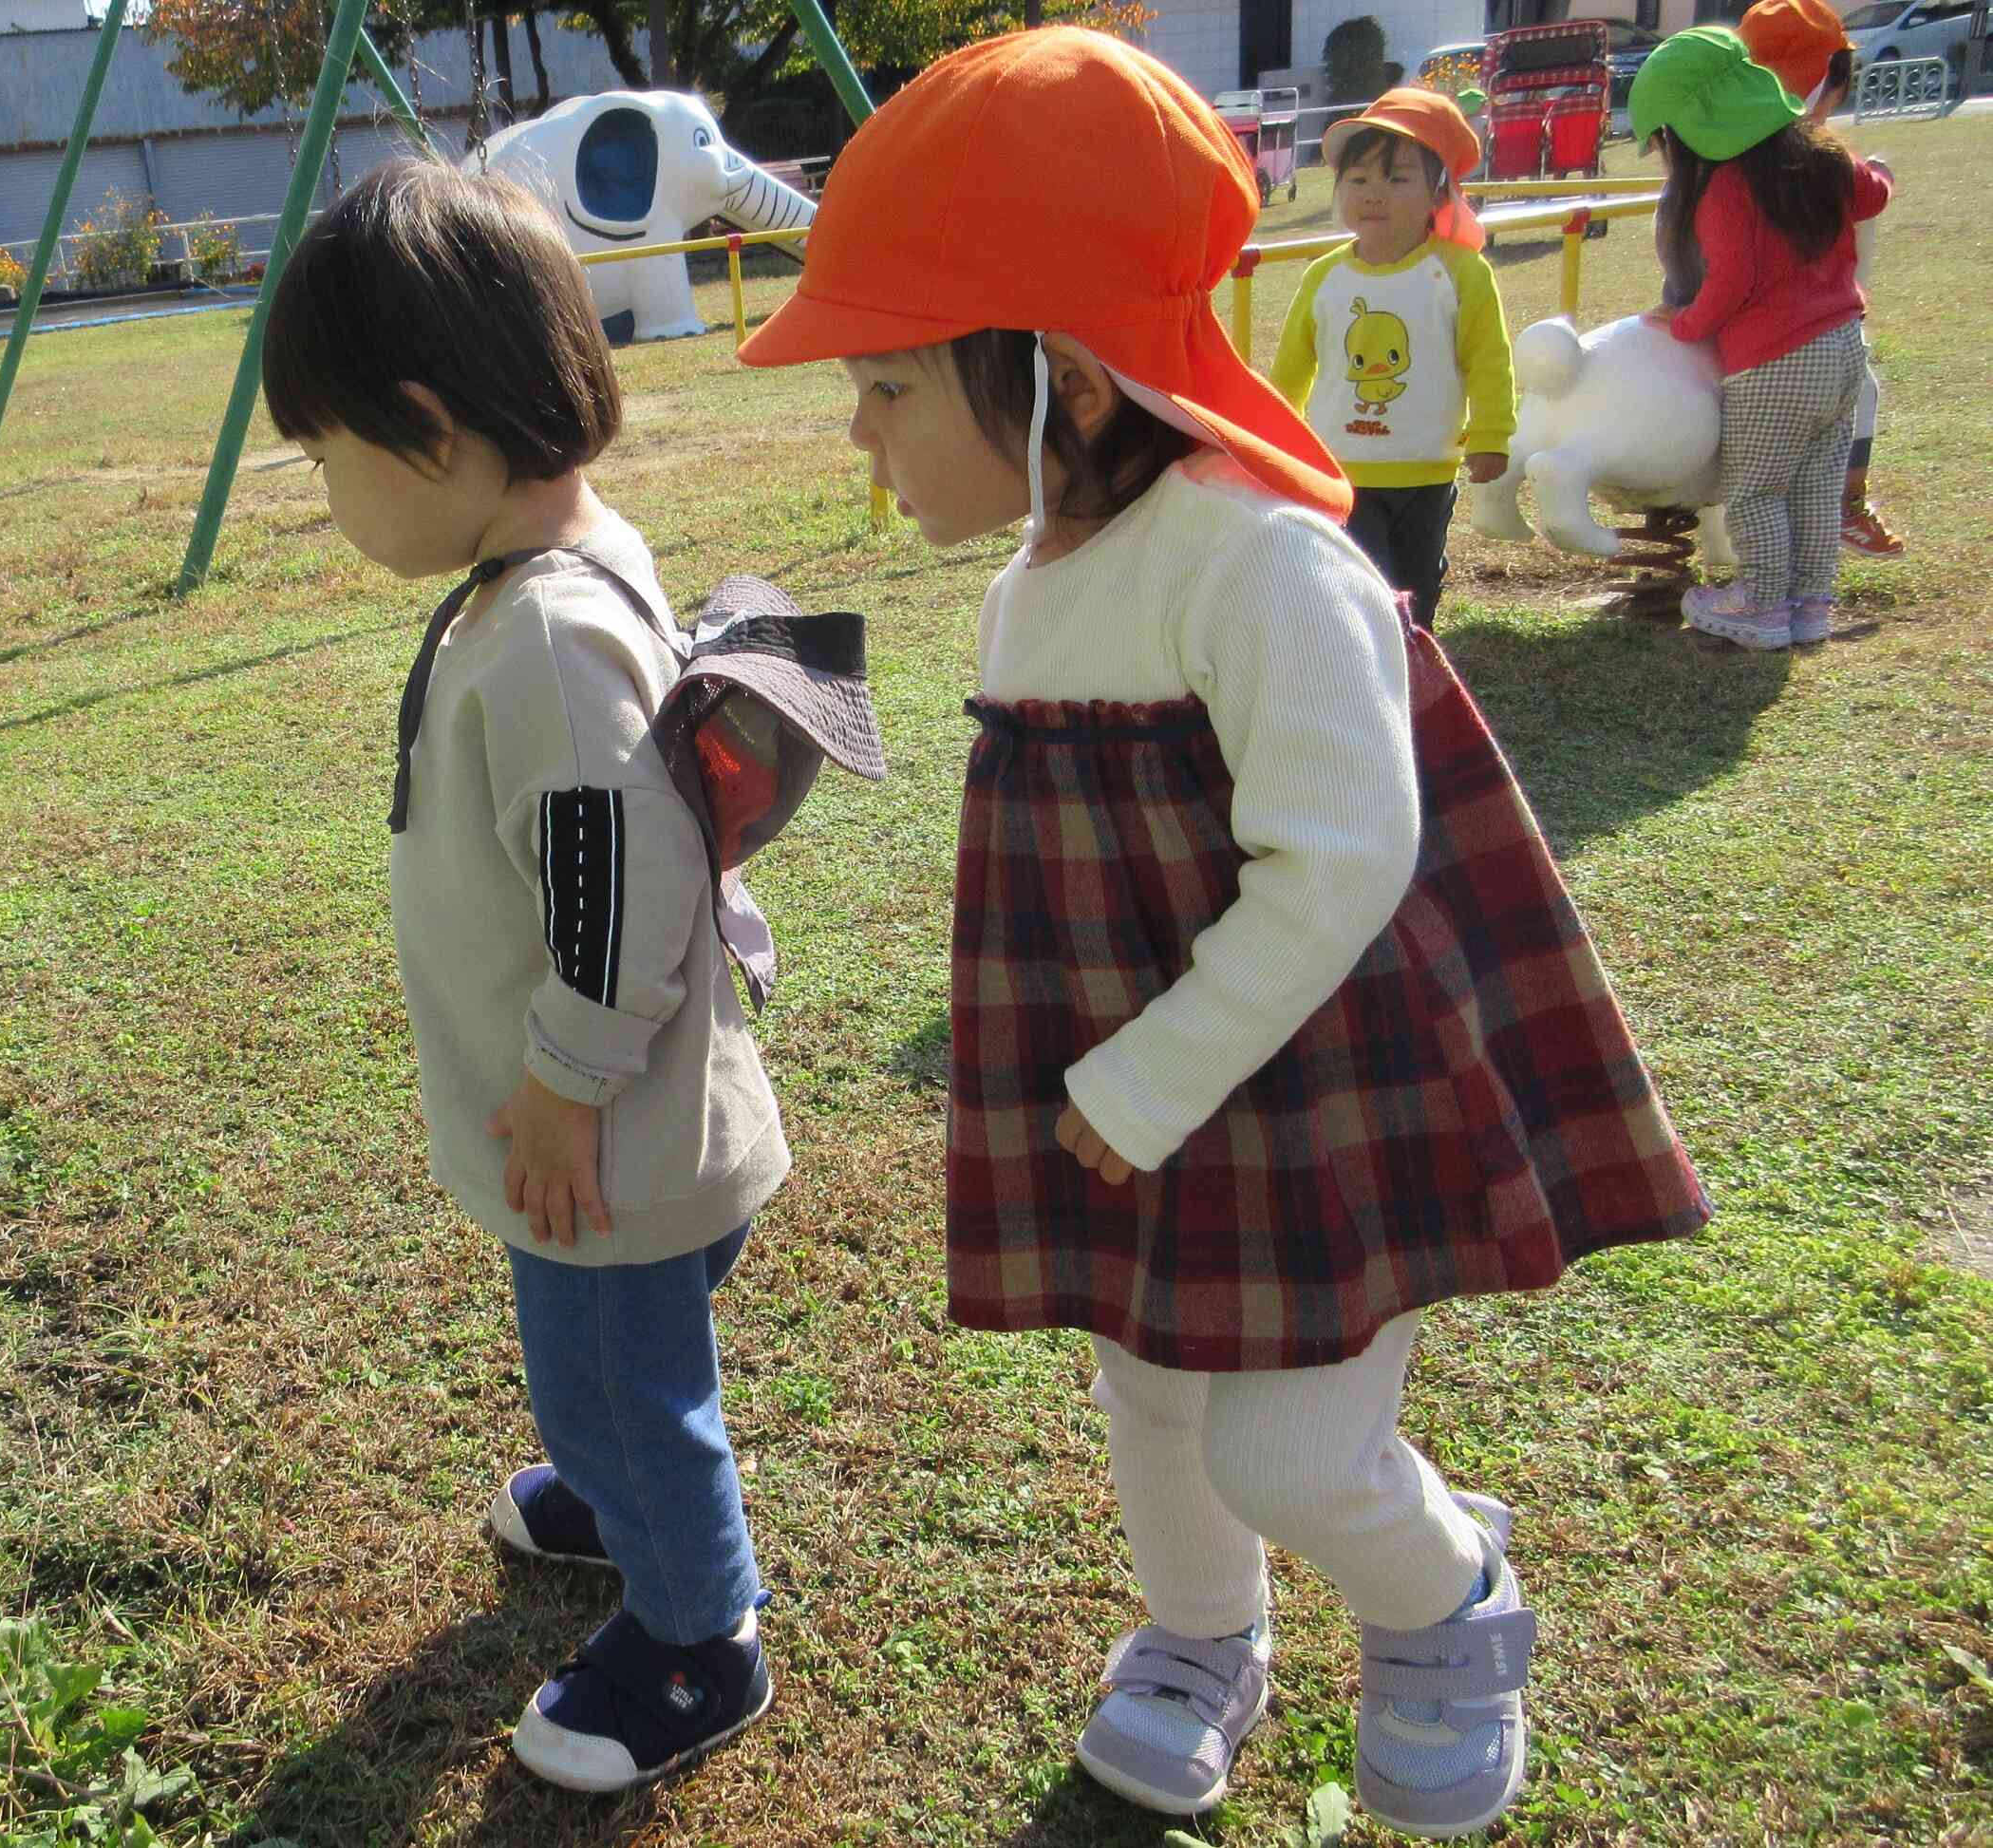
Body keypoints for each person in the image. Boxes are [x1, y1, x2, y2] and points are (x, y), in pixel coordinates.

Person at [737, 28, 1709, 1837]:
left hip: (1300, 1076)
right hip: (1136, 1083)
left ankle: (1445, 1605)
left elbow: (1339, 859)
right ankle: (1199, 1633)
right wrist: (1107, 1075)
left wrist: (1151, 1069)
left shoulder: (1259, 565)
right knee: (1150, 1384)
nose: (855, 430)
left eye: (884, 385)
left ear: (1071, 383)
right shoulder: (1033, 585)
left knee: (1281, 1437)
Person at [261, 160, 784, 1792]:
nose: (329, 494)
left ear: (428, 429)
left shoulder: (550, 636)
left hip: (600, 1133)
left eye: (326, 458)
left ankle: (699, 1635)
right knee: (606, 1366)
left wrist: (558, 1092)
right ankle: (608, 1479)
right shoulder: (539, 569)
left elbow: (618, 891)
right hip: (599, 1120)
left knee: (618, 1369)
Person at [1636, 26, 1891, 648]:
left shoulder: (1725, 189)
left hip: (1772, 362)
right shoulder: (1821, 157)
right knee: (1815, 485)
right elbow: (1874, 192)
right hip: (1843, 349)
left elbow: (1731, 283)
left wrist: (1686, 323)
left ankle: (1760, 601)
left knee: (1757, 489)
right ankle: (1810, 602)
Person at [1269, 88, 1514, 629]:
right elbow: (1291, 368)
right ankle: (1365, 661)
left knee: (1418, 580)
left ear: (1437, 193)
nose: (1374, 194)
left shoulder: (1460, 274)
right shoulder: (1325, 276)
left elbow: (1488, 361)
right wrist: (1274, 441)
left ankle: (1416, 664)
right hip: (1342, 464)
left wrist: (1493, 436)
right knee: (1363, 578)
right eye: (1358, 180)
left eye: (1398, 178)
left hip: (1428, 465)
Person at [1737, 0, 1905, 559]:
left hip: (1729, 323)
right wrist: (1877, 171)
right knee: (1857, 395)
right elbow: (1872, 193)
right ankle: (1840, 512)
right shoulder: (1819, 154)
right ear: (1827, 81)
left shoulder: (1727, 147)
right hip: (1801, 337)